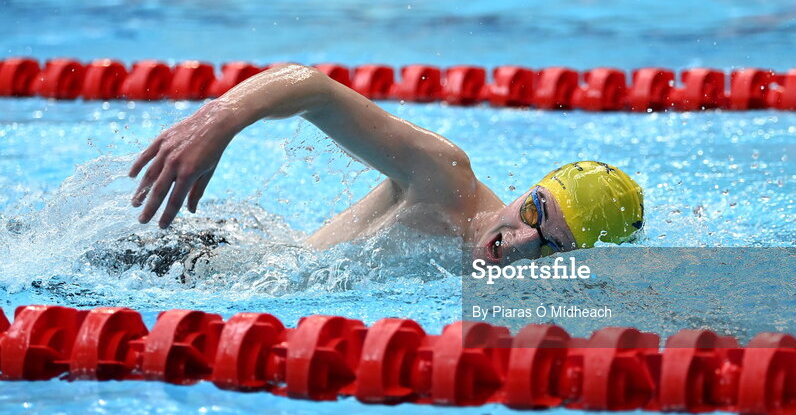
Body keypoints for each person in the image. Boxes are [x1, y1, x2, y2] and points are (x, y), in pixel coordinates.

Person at [129, 64, 644, 266]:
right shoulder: (444, 182)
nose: (522, 241)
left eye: (552, 246)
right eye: (534, 214)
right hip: (190, 263)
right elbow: (313, 88)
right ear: (528, 190)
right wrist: (220, 119)